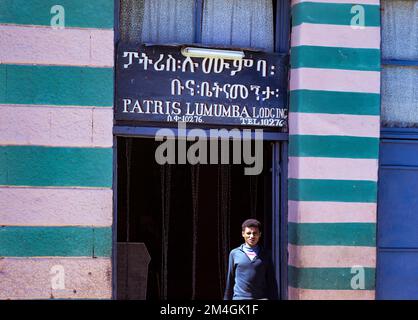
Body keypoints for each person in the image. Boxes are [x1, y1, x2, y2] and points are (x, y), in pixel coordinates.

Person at [224, 218, 278, 300]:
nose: (252, 236)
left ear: (260, 234)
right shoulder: (234, 253)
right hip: (239, 298)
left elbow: (271, 281)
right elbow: (230, 279)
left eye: (255, 233)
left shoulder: (266, 254)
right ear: (243, 234)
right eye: (248, 233)